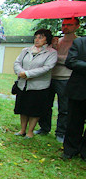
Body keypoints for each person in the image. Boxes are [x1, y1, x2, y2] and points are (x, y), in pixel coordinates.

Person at [36, 17, 80, 143]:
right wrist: (53, 49)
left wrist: (56, 57)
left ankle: (61, 132)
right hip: (50, 76)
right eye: (64, 24)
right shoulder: (57, 41)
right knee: (45, 104)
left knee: (64, 107)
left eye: (69, 24)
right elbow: (47, 58)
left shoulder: (78, 42)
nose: (65, 27)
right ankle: (44, 127)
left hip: (66, 78)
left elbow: (71, 61)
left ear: (77, 26)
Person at [13, 29, 57, 138]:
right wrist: (20, 72)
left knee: (34, 110)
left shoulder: (51, 53)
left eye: (40, 37)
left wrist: (28, 74)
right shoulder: (26, 50)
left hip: (39, 86)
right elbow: (17, 62)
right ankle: (22, 129)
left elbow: (47, 68)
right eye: (36, 37)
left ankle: (30, 131)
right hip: (23, 85)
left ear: (47, 39)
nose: (37, 39)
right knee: (22, 108)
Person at [62, 32, 86, 160]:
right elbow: (70, 61)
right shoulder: (80, 42)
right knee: (74, 121)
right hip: (79, 89)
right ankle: (70, 149)